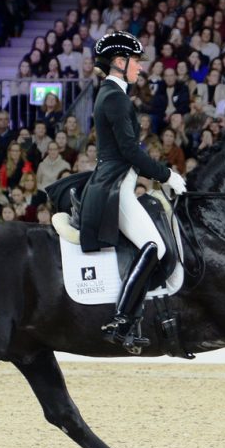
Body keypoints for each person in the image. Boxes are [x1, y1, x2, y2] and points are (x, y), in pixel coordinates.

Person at [80, 31, 187, 350]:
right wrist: (166, 174)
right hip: (116, 188)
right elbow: (130, 150)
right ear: (118, 61)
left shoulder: (113, 94)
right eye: (136, 61)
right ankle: (122, 321)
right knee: (155, 246)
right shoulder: (113, 96)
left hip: (122, 183)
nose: (140, 67)